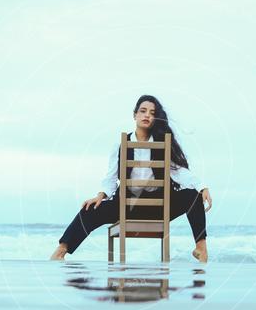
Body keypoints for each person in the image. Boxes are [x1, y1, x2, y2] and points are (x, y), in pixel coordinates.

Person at [50, 94, 213, 262]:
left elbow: (178, 171)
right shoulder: (121, 144)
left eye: (151, 112)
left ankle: (201, 247)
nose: (147, 115)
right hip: (126, 207)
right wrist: (101, 195)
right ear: (134, 115)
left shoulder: (163, 144)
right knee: (89, 210)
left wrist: (202, 187)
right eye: (143, 111)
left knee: (194, 196)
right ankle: (61, 250)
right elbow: (111, 177)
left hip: (158, 207)